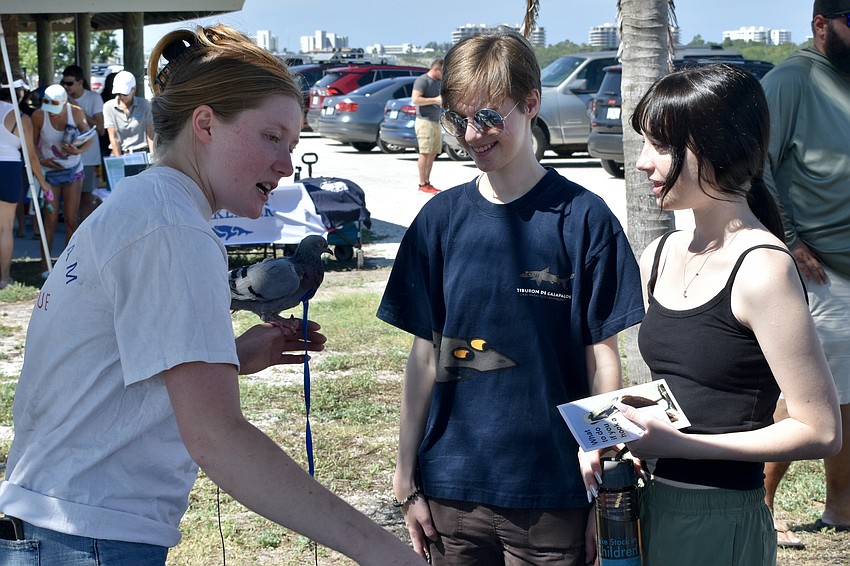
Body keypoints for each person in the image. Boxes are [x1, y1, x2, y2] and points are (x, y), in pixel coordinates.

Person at [0, 25, 423, 566]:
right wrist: (390, 555)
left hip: (57, 525)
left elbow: (108, 373)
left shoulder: (140, 204)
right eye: (272, 137)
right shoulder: (174, 231)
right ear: (205, 123)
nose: (286, 165)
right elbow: (219, 439)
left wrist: (232, 358)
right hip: (88, 535)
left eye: (292, 146)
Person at [377, 29, 644, 564]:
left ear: (531, 104)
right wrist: (407, 475)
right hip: (452, 490)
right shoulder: (438, 222)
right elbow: (424, 357)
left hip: (553, 495)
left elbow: (603, 359)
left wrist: (603, 474)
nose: (472, 135)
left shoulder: (585, 220)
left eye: (489, 117)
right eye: (459, 119)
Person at [579, 63, 841, 566]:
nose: (642, 164)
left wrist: (680, 445)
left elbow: (820, 430)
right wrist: (605, 434)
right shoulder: (660, 253)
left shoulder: (763, 269)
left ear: (714, 149)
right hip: (641, 505)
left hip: (718, 517)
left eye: (660, 146)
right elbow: (682, 388)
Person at [759, 0, 850, 545]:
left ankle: (841, 507)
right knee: (807, 393)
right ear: (821, 25)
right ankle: (762, 503)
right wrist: (791, 241)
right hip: (822, 272)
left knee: (848, 395)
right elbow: (756, 165)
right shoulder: (790, 80)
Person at [30, 83, 94, 275]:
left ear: (64, 102)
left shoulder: (75, 111)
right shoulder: (39, 116)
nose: (53, 114)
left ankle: (69, 265)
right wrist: (42, 160)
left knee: (71, 219)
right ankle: (45, 266)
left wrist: (78, 150)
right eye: (49, 110)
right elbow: (31, 145)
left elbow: (89, 137)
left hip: (73, 170)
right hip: (50, 172)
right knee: (49, 219)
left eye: (55, 110)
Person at [0, 82, 52, 288]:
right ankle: (4, 277)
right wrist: (43, 182)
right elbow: (31, 156)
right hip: (9, 168)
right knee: (5, 228)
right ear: (19, 93)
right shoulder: (21, 118)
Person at [62, 64, 104, 221]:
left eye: (70, 83)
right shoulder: (62, 99)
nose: (66, 87)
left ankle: (84, 230)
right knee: (69, 198)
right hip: (68, 156)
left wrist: (80, 111)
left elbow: (100, 129)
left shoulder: (93, 98)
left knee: (86, 197)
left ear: (80, 82)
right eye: (64, 83)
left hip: (88, 156)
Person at [103, 69, 154, 156]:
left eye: (125, 94)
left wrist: (153, 157)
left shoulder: (145, 105)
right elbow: (113, 137)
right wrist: (118, 160)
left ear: (133, 89)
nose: (121, 97)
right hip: (120, 153)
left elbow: (150, 135)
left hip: (142, 153)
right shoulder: (108, 106)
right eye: (118, 93)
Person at [412, 58, 442, 194]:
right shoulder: (422, 80)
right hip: (424, 121)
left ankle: (428, 182)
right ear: (436, 69)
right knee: (425, 152)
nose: (443, 75)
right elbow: (415, 99)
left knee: (433, 152)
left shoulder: (438, 82)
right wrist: (435, 100)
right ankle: (422, 183)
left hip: (435, 121)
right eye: (442, 72)